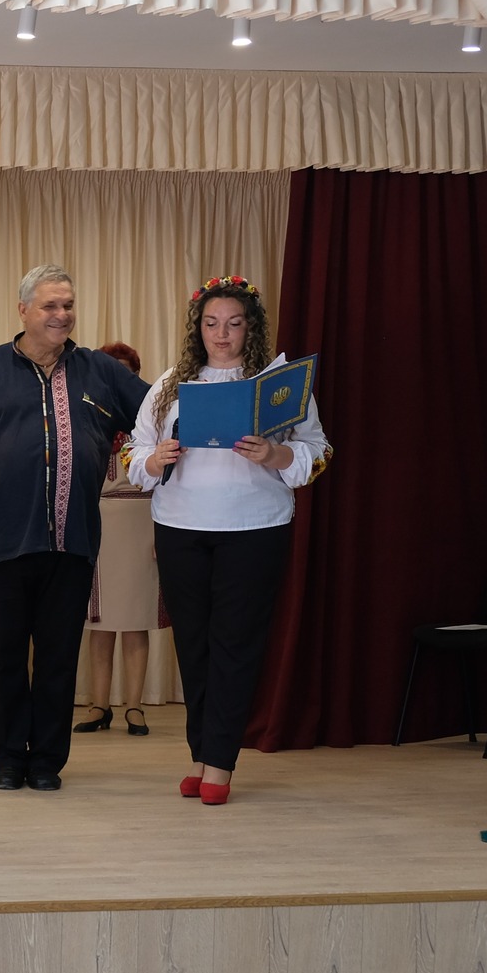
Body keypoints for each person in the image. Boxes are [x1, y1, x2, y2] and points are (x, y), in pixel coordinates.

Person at [0, 264, 149, 792]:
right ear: (23, 309)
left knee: (57, 659)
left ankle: (47, 761)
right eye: (50, 305)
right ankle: (7, 760)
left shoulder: (100, 371)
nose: (61, 314)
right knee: (4, 658)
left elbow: (158, 412)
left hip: (72, 543)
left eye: (68, 305)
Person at [126, 275, 330, 804]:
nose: (222, 335)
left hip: (254, 529)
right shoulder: (170, 384)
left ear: (251, 328)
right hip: (180, 528)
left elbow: (318, 451)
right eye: (212, 324)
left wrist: (275, 454)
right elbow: (134, 454)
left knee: (235, 647)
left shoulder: (279, 383)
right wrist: (156, 459)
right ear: (198, 329)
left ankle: (219, 764)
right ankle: (201, 753)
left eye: (234, 324)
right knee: (193, 646)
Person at [78, 339, 160, 739]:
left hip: (141, 519)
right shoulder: (87, 417)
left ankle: (134, 705)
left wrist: (162, 532)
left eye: (126, 373)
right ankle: (98, 704)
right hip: (97, 519)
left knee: (134, 619)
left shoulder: (151, 422)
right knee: (100, 622)